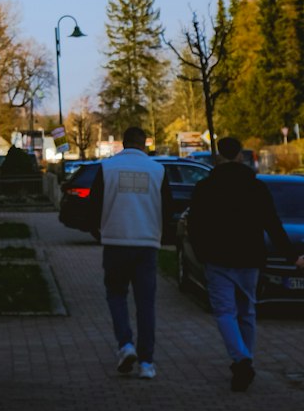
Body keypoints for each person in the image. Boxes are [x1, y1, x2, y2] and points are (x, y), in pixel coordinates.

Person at [185, 135, 304, 390]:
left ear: (218, 156)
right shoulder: (256, 188)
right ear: (240, 155)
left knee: (225, 311)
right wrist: (291, 256)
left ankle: (241, 359)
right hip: (249, 258)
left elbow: (195, 225)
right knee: (247, 310)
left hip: (217, 258)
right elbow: (272, 224)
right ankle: (245, 357)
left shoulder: (206, 188)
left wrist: (201, 252)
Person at [88, 127, 173, 381]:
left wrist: (99, 231)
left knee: (116, 295)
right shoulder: (158, 170)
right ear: (144, 144)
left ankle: (125, 344)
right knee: (145, 303)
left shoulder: (107, 168)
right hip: (146, 242)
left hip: (115, 241)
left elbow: (94, 205)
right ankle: (147, 363)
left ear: (123, 144)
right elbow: (167, 209)